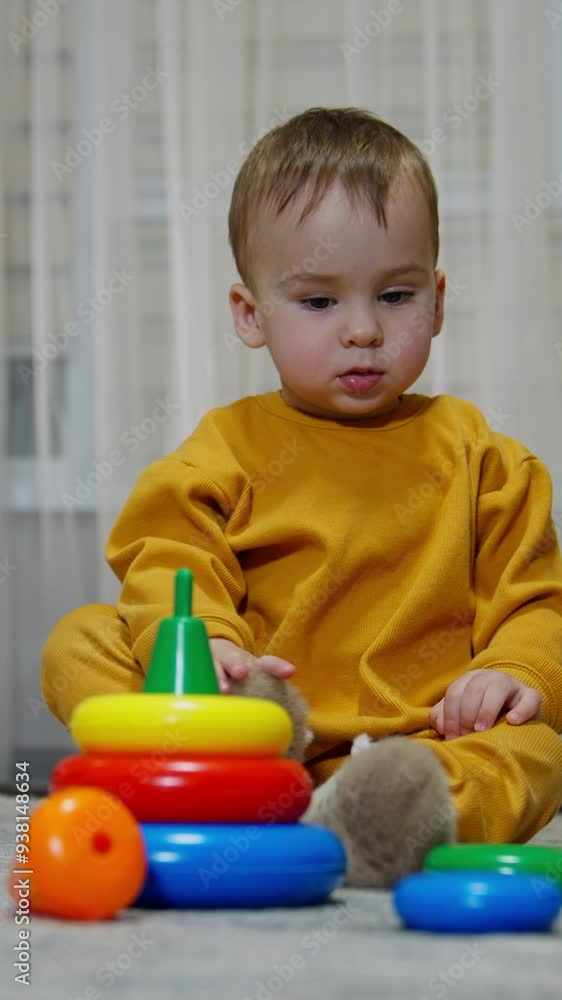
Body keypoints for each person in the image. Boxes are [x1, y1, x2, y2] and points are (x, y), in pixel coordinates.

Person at [42, 107, 562, 887]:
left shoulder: (485, 459)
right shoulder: (227, 448)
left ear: (439, 300)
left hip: (424, 742)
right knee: (79, 640)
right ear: (252, 316)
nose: (362, 330)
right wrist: (208, 643)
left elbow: (538, 602)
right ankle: (227, 769)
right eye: (320, 303)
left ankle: (391, 817)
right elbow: (168, 555)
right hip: (250, 722)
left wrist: (517, 670)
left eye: (395, 295)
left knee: (540, 748)